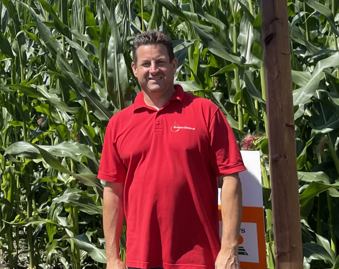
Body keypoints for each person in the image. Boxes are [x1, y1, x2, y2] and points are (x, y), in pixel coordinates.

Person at [99, 30, 244, 269]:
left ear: (174, 65)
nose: (153, 69)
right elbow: (113, 190)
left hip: (198, 258)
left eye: (161, 62)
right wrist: (112, 258)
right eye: (145, 64)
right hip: (140, 259)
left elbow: (230, 178)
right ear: (134, 69)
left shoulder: (206, 112)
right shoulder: (119, 124)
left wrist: (229, 249)